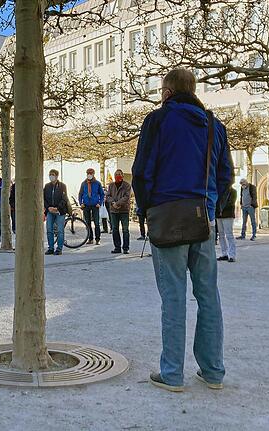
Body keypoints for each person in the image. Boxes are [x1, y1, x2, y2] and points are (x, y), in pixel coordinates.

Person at [132, 68, 233, 392]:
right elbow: (225, 175)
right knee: (208, 294)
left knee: (173, 296)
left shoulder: (158, 120)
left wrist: (148, 207)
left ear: (168, 92)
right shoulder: (214, 126)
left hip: (166, 213)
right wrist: (211, 204)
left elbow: (142, 171)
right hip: (202, 215)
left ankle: (172, 373)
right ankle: (213, 370)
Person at [44, 169, 70, 255]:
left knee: (60, 230)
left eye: (53, 174)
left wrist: (57, 208)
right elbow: (43, 198)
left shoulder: (62, 186)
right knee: (49, 230)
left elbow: (64, 198)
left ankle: (59, 248)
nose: (51, 176)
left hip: (60, 211)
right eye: (50, 174)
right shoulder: (47, 186)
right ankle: (50, 248)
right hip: (50, 211)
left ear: (56, 176)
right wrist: (48, 208)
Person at [106, 169, 131, 254]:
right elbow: (108, 195)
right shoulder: (111, 185)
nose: (118, 176)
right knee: (115, 229)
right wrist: (113, 203)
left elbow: (127, 197)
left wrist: (118, 203)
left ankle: (125, 248)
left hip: (124, 210)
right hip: (113, 211)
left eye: (119, 174)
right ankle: (117, 247)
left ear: (123, 175)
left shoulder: (127, 185)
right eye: (116, 174)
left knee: (125, 230)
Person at [78, 168, 104, 245]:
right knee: (88, 223)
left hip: (95, 205)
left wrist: (100, 202)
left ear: (93, 174)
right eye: (88, 173)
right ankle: (90, 238)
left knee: (96, 223)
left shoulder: (97, 183)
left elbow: (102, 194)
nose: (89, 174)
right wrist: (81, 203)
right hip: (86, 205)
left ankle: (97, 239)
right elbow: (80, 194)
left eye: (90, 173)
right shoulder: (83, 183)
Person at [216, 186, 237, 262]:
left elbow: (231, 203)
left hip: (228, 215)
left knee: (229, 235)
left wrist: (220, 208)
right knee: (221, 235)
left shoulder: (233, 191)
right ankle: (224, 253)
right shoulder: (218, 191)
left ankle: (232, 255)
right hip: (218, 215)